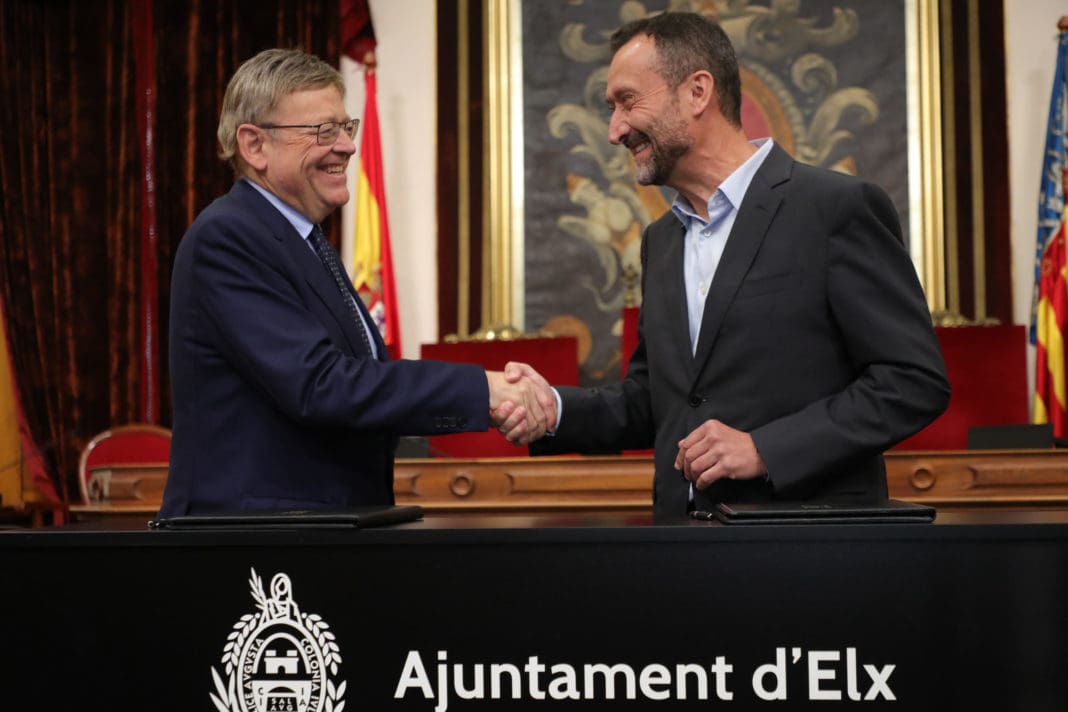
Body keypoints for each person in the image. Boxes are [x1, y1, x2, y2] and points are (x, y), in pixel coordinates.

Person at [500, 12, 950, 519]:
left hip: (809, 547)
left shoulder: (835, 209)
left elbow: (912, 382)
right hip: (683, 548)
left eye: (628, 101)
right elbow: (657, 401)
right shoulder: (661, 241)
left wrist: (766, 449)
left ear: (697, 92)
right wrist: (553, 409)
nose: (615, 129)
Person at [160, 48, 551, 516]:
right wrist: (483, 391)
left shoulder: (304, 241)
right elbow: (321, 385)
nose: (347, 146)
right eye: (324, 131)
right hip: (255, 537)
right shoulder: (229, 238)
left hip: (320, 528)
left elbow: (357, 381)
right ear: (254, 145)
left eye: (346, 128)